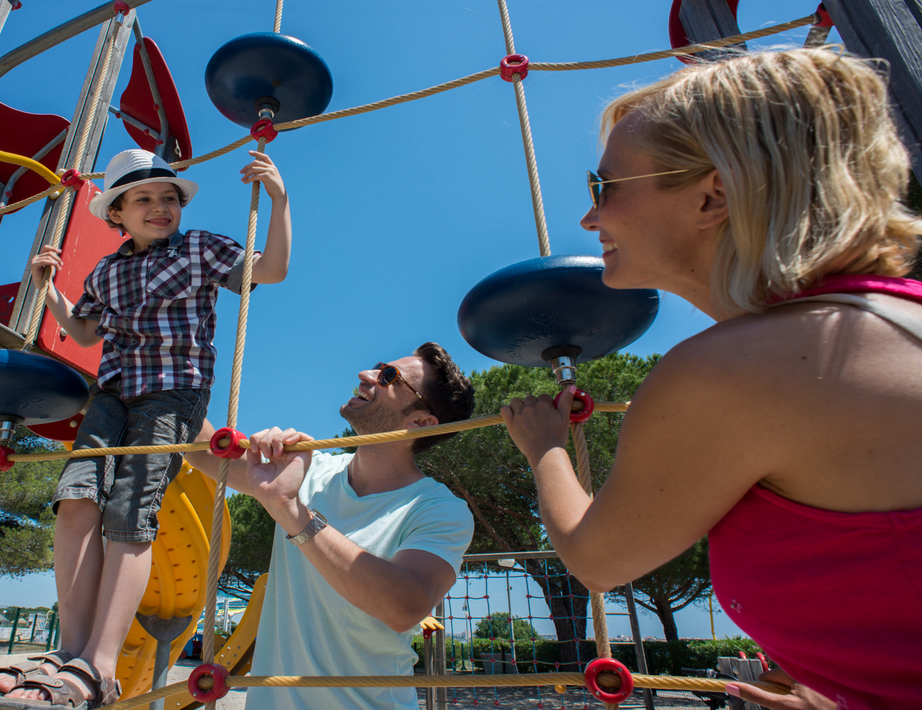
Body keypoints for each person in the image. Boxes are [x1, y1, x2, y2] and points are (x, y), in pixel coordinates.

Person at [501, 49, 922, 710]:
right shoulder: (901, 318)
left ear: (712, 195)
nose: (590, 219)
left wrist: (546, 447)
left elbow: (597, 558)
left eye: (603, 187)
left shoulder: (730, 372)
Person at [0, 148, 292, 710]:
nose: (160, 207)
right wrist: (47, 287)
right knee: (76, 500)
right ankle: (70, 654)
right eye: (143, 199)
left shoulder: (200, 248)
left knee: (131, 510)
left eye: (169, 197)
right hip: (114, 392)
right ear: (116, 215)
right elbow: (81, 334)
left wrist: (278, 198)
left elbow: (269, 272)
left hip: (173, 391)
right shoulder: (106, 272)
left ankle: (101, 666)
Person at [184, 343, 476, 710]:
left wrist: (291, 510)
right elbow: (196, 449)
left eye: (389, 377)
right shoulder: (309, 469)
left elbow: (404, 608)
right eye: (377, 366)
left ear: (420, 422)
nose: (365, 375)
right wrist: (161, 367)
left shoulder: (439, 509)